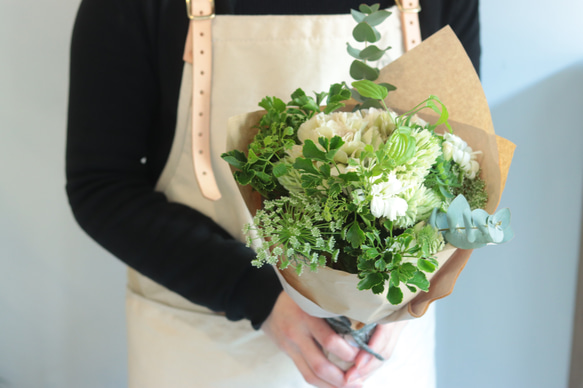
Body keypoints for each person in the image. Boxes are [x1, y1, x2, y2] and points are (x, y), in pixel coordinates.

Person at [66, 0, 480, 387]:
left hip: (379, 353)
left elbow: (464, 167)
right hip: (206, 348)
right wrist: (257, 294)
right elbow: (101, 184)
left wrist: (405, 298)